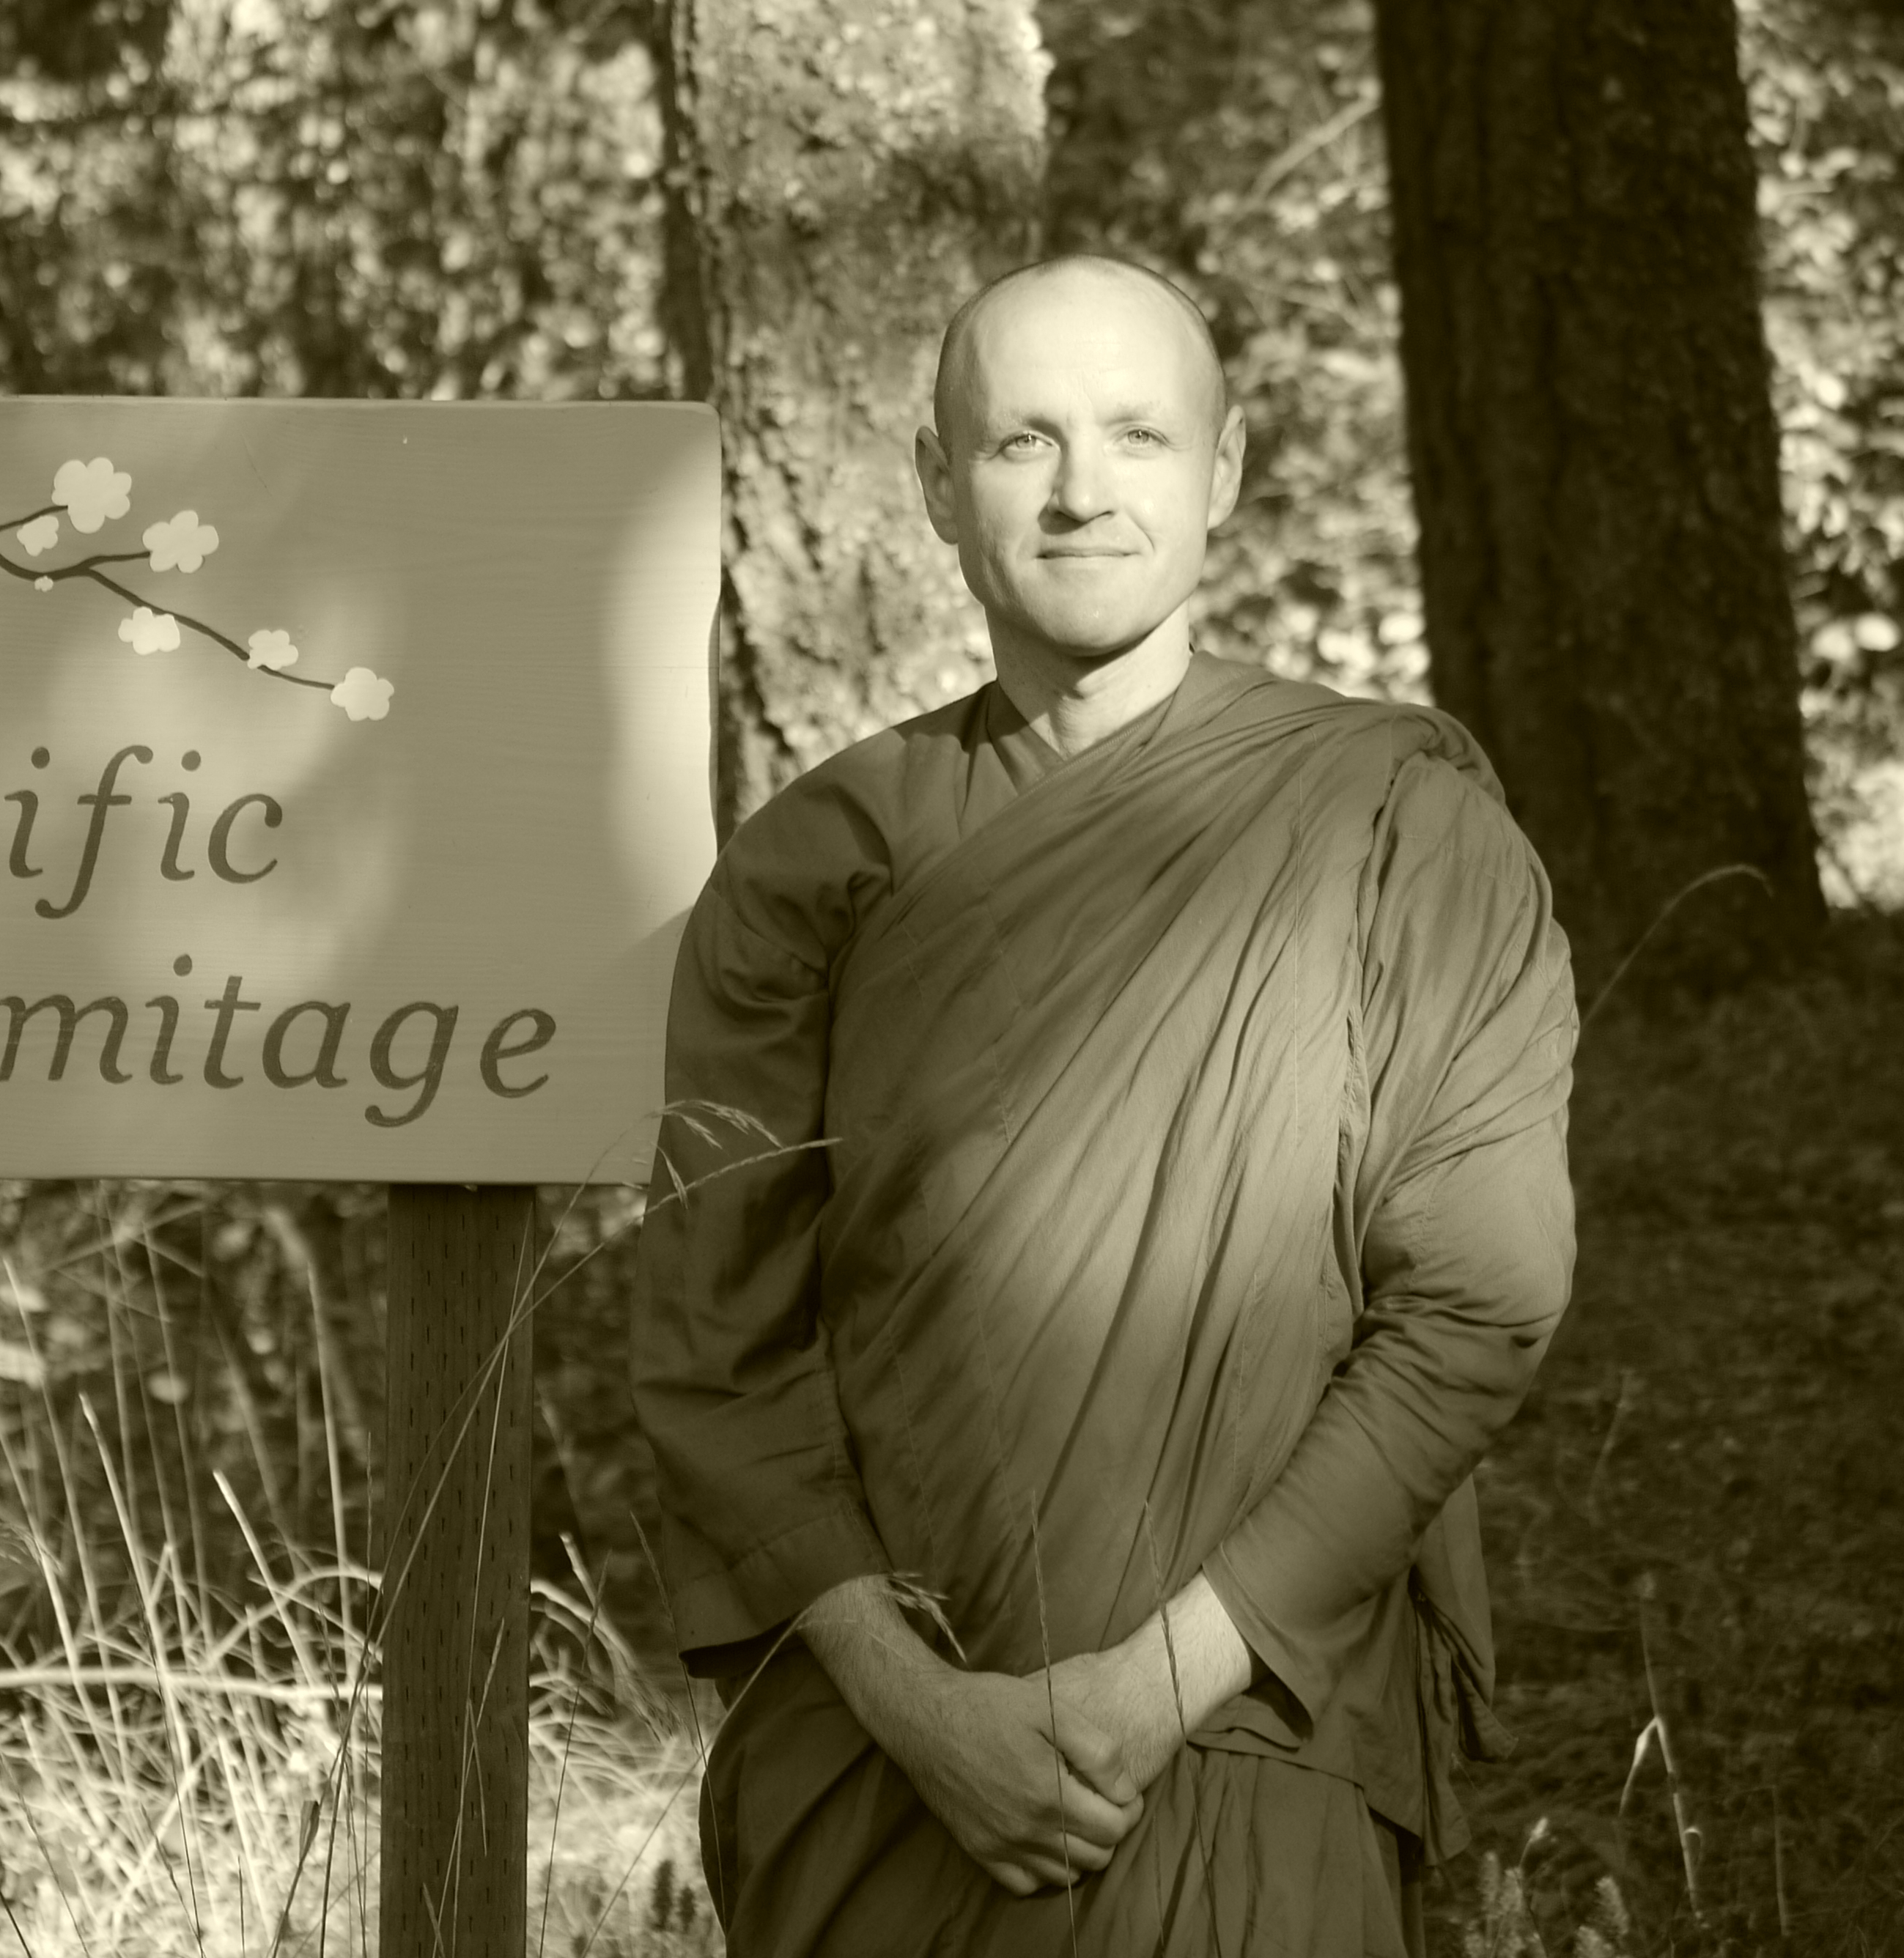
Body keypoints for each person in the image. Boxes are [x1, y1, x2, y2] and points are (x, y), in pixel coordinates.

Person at [632, 253, 1578, 1955]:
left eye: (1138, 435)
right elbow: (718, 1347)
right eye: (1020, 443)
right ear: (934, 483)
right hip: (885, 1766)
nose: (1082, 490)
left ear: (1220, 472)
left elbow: (1469, 1306)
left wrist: (1157, 1683)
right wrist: (916, 1705)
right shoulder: (814, 866)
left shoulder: (1399, 837)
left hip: (1251, 1723)